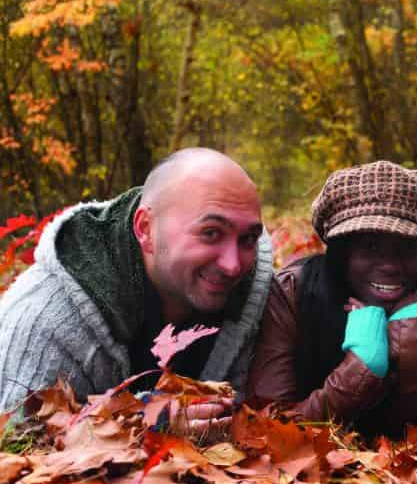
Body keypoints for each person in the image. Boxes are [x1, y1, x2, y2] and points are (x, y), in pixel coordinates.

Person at [0, 148, 273, 434]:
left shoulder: (258, 294)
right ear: (145, 229)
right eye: (211, 233)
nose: (232, 265)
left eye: (248, 239)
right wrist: (148, 422)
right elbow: (16, 442)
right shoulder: (47, 319)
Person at [246, 161, 417, 436]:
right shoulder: (292, 294)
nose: (390, 265)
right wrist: (362, 367)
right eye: (370, 246)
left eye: (404, 247)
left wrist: (416, 352)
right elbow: (267, 429)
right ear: (342, 253)